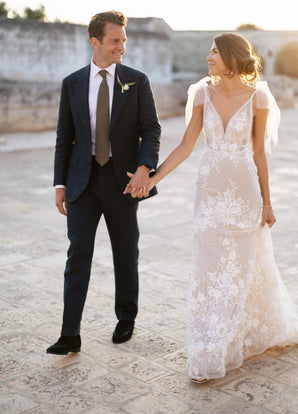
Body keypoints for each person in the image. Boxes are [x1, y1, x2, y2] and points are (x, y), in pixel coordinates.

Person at [125, 32, 298, 382]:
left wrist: (268, 204)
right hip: (210, 194)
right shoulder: (202, 92)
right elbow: (186, 145)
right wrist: (153, 179)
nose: (208, 57)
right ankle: (208, 348)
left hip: (245, 195)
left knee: (242, 269)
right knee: (209, 271)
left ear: (231, 57)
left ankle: (238, 334)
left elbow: (259, 152)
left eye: (214, 52)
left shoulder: (258, 96)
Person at [47, 11, 161, 355]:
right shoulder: (72, 83)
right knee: (77, 257)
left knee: (125, 254)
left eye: (124, 40)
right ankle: (70, 334)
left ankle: (126, 318)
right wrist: (59, 184)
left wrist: (146, 166)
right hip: (82, 182)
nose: (121, 46)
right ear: (95, 42)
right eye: (115, 40)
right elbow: (64, 137)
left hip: (123, 182)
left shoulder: (136, 80)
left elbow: (152, 130)